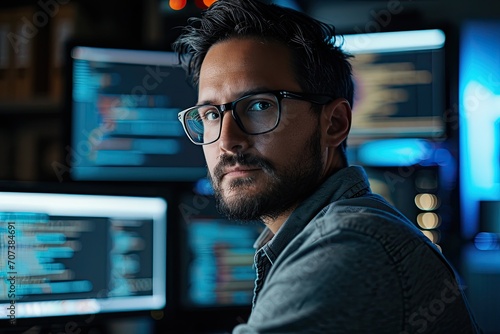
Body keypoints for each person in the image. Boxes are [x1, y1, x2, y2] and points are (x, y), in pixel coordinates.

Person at [173, 0, 481, 332]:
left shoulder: (349, 246)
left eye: (260, 105)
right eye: (210, 114)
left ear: (334, 123)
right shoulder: (326, 235)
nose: (227, 141)